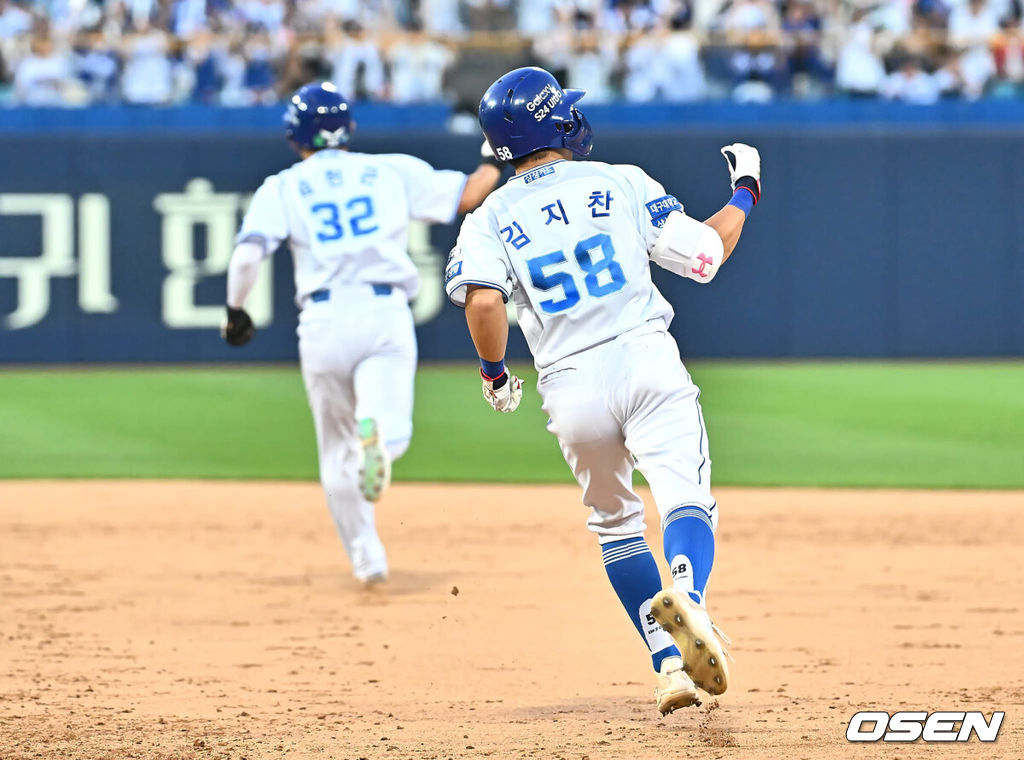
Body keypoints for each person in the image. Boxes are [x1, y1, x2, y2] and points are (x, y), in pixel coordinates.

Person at [444, 67, 761, 714]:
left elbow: (482, 304)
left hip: (569, 385)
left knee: (615, 527)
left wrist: (495, 373)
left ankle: (670, 664)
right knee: (684, 498)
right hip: (644, 357)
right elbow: (705, 255)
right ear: (556, 121)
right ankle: (689, 599)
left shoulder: (489, 216)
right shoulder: (620, 179)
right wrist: (747, 189)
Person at [222, 82, 501, 585]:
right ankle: (382, 442)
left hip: (323, 321)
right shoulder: (388, 169)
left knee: (335, 450)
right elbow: (469, 194)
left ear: (295, 135)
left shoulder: (283, 185)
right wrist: (492, 157)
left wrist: (234, 310)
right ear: (348, 128)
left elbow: (247, 256)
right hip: (384, 311)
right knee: (391, 426)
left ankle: (367, 555)